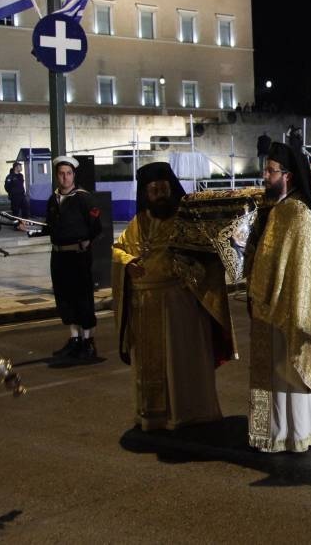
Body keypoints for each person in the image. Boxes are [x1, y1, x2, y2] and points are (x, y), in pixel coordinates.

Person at [246, 142, 311, 451]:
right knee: (280, 374)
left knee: (289, 374)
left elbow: (301, 271)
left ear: (288, 176)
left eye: (271, 171)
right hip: (274, 304)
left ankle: (293, 433)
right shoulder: (280, 209)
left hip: (288, 308)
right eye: (265, 170)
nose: (265, 176)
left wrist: (281, 302)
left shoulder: (297, 213)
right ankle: (283, 431)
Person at [112, 162, 235, 430]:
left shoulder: (187, 219)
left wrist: (190, 268)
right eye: (153, 190)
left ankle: (189, 414)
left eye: (163, 188)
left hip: (181, 305)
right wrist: (128, 261)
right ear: (145, 193)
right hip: (145, 306)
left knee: (182, 362)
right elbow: (118, 249)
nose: (159, 194)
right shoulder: (138, 222)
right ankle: (154, 418)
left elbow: (209, 255)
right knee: (152, 365)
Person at [26, 156, 104, 360]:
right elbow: (50, 226)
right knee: (65, 298)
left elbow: (97, 227)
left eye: (68, 173)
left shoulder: (84, 198)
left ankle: (88, 341)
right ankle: (74, 338)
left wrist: (87, 241)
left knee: (82, 298)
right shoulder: (54, 199)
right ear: (56, 176)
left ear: (74, 175)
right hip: (59, 255)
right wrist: (30, 229)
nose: (65, 177)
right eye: (61, 174)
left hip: (78, 255)